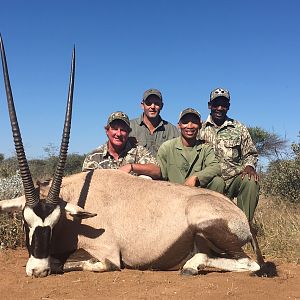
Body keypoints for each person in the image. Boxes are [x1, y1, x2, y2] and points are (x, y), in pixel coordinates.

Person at [199, 88, 259, 221]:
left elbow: (251, 153)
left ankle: (244, 226)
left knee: (250, 180)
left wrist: (249, 166)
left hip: (234, 178)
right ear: (210, 105)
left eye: (224, 104)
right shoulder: (199, 128)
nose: (220, 108)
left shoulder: (239, 127)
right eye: (216, 104)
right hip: (210, 181)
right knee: (216, 183)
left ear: (228, 107)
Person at [157, 108, 224, 192]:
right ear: (179, 125)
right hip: (172, 195)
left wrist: (196, 177)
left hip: (197, 197)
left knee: (218, 182)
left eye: (194, 122)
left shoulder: (205, 148)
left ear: (200, 125)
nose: (189, 126)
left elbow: (215, 167)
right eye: (185, 122)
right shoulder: (167, 147)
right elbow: (159, 175)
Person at [82, 111, 161, 179]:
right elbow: (84, 183)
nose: (118, 134)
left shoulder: (139, 151)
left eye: (123, 130)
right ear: (107, 131)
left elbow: (157, 171)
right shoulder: (93, 157)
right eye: (115, 129)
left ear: (128, 132)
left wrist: (131, 167)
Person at [130, 88, 179, 157]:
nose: (152, 107)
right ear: (142, 105)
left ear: (161, 106)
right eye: (149, 103)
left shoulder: (172, 130)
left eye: (156, 103)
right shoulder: (129, 127)